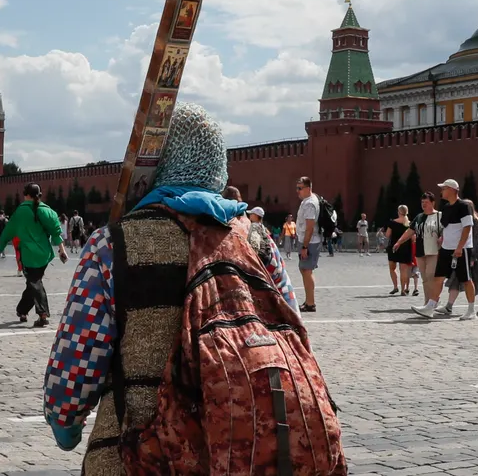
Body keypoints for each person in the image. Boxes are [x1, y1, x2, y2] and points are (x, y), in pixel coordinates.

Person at [42, 104, 345, 472]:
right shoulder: (258, 241)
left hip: (139, 455)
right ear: (219, 165)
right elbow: (292, 331)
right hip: (247, 452)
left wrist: (66, 425)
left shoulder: (112, 244)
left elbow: (75, 361)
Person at [1, 184, 68, 327]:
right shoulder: (48, 211)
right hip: (44, 255)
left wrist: (1, 246)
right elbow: (56, 232)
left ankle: (43, 314)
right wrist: (62, 250)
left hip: (28, 255)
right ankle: (22, 310)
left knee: (35, 283)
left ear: (25, 194)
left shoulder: (21, 211)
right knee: (32, 282)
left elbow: (9, 230)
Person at [433, 178, 476, 320]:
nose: (441, 191)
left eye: (444, 188)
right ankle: (430, 306)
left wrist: (459, 247)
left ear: (452, 190)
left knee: (466, 279)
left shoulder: (464, 206)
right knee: (438, 277)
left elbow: (467, 227)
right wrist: (442, 239)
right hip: (446, 248)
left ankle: (471, 310)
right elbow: (446, 227)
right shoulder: (445, 207)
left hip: (461, 249)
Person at [442, 203, 478, 316]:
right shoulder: (468, 220)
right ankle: (449, 306)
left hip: (472, 254)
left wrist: (473, 257)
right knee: (456, 279)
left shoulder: (474, 221)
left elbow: (476, 239)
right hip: (465, 253)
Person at [401, 192, 443, 318]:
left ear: (433, 202)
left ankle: (433, 302)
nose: (424, 204)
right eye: (422, 202)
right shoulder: (419, 217)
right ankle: (427, 303)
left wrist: (442, 237)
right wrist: (399, 242)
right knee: (424, 279)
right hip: (420, 252)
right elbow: (410, 230)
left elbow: (446, 230)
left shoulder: (439, 216)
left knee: (431, 276)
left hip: (434, 251)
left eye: (426, 202)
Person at [295, 176, 321, 312]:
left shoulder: (310, 203)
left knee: (307, 271)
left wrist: (304, 247)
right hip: (306, 240)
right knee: (304, 270)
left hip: (309, 242)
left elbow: (310, 227)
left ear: (308, 188)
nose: (297, 191)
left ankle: (311, 303)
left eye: (300, 188)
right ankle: (308, 300)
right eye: (297, 188)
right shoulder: (307, 200)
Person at [385, 205, 413, 296]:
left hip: (394, 247)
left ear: (398, 212)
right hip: (405, 248)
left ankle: (395, 287)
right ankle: (403, 290)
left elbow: (387, 235)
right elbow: (413, 238)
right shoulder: (409, 223)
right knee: (403, 270)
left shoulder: (392, 222)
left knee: (392, 268)